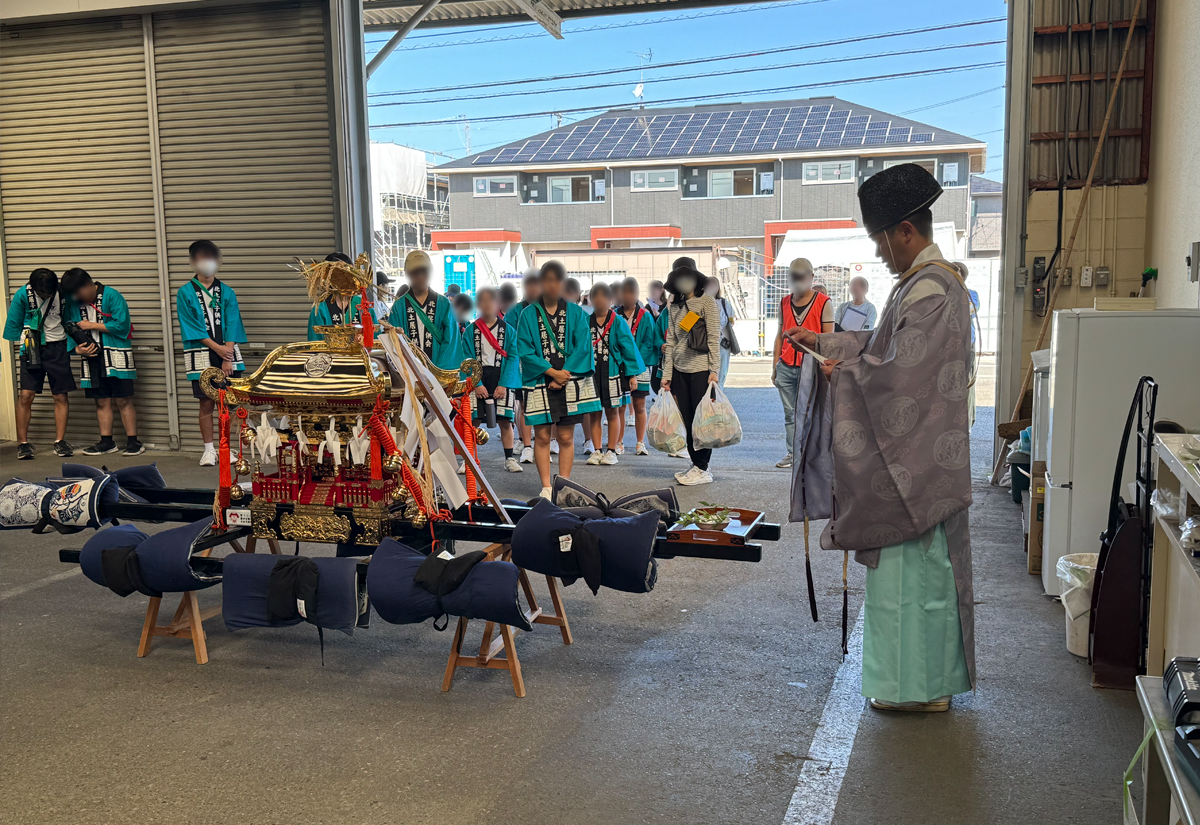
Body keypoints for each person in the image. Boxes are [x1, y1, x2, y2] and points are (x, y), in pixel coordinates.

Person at [786, 162, 976, 713]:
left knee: (915, 584)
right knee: (915, 584)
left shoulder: (930, 289)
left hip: (914, 472)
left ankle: (918, 691)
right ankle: (917, 687)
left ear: (905, 231)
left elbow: (899, 379)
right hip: (917, 462)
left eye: (880, 240)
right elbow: (882, 344)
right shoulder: (926, 284)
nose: (880, 252)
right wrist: (825, 343)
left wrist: (840, 376)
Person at [514, 261, 599, 499]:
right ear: (541, 282)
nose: (552, 285)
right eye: (547, 280)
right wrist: (552, 372)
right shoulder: (528, 314)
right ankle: (546, 486)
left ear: (563, 283)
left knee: (565, 437)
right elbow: (525, 350)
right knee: (542, 436)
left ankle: (563, 485)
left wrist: (563, 375)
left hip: (568, 380)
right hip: (540, 379)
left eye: (556, 280)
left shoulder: (576, 313)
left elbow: (583, 347)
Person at [177, 239, 247, 466]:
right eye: (201, 258)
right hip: (201, 352)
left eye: (210, 258)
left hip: (228, 351)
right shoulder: (185, 292)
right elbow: (190, 326)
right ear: (193, 262)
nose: (206, 263)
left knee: (229, 402)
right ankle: (209, 449)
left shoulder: (227, 292)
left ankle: (227, 447)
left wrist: (227, 354)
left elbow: (233, 322)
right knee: (206, 402)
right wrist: (218, 349)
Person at [61, 268, 142, 456]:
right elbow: (67, 328)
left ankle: (133, 441)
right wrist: (76, 349)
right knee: (101, 400)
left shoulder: (112, 295)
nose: (77, 297)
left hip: (116, 355)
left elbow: (123, 324)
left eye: (78, 293)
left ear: (88, 285)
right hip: (92, 357)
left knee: (123, 399)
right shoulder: (73, 303)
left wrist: (92, 325)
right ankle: (107, 442)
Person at [660, 257, 722, 486]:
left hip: (701, 370)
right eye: (679, 277)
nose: (684, 281)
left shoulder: (707, 303)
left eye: (688, 276)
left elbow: (714, 338)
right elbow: (671, 341)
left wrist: (714, 370)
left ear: (696, 279)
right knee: (687, 419)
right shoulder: (674, 307)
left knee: (701, 420)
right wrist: (667, 375)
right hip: (679, 370)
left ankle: (703, 467)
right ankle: (696, 464)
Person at [5, 268, 74, 459]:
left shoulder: (63, 293)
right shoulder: (23, 294)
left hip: (58, 345)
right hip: (32, 345)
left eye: (50, 293)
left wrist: (75, 345)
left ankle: (60, 441)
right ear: (33, 287)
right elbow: (14, 321)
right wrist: (20, 345)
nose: (47, 296)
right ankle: (23, 444)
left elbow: (70, 318)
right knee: (26, 395)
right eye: (43, 293)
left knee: (60, 395)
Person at [771, 258, 833, 469]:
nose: (797, 280)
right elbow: (779, 335)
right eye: (794, 276)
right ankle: (793, 453)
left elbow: (829, 340)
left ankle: (812, 454)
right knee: (790, 413)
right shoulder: (784, 302)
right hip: (786, 365)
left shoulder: (824, 303)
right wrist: (775, 366)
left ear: (811, 277)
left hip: (812, 367)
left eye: (801, 276)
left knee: (812, 412)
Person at [459, 286, 522, 473]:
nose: (487, 304)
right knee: (473, 421)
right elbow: (467, 358)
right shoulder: (470, 331)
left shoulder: (508, 330)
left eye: (491, 300)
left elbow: (513, 357)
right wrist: (476, 384)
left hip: (501, 378)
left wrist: (504, 384)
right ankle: (469, 459)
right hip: (477, 378)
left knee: (505, 421)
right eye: (483, 300)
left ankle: (509, 458)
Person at [585, 283, 644, 466]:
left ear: (610, 300)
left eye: (604, 296)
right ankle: (597, 450)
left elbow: (628, 348)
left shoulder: (617, 321)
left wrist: (632, 375)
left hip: (613, 374)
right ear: (590, 299)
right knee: (595, 413)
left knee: (613, 412)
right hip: (592, 375)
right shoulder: (586, 321)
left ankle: (611, 450)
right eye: (595, 296)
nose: (599, 300)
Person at [385, 250, 460, 371]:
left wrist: (439, 372)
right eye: (415, 272)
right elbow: (394, 343)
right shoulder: (399, 306)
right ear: (407, 274)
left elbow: (451, 342)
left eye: (424, 271)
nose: (420, 276)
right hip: (410, 373)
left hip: (439, 372)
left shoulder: (444, 304)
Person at [618, 277, 661, 455]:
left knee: (640, 406)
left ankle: (640, 442)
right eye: (625, 292)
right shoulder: (614, 315)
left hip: (640, 367)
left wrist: (634, 363)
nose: (628, 296)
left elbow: (648, 343)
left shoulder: (646, 316)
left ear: (637, 294)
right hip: (619, 367)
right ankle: (618, 442)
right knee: (620, 407)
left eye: (632, 292)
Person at [507, 270, 541, 464]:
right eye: (528, 285)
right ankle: (526, 444)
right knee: (523, 404)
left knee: (544, 405)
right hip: (522, 365)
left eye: (536, 284)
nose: (532, 289)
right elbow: (509, 340)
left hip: (545, 365)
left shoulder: (548, 308)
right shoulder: (515, 311)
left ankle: (546, 442)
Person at [307, 253, 362, 340]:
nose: (344, 280)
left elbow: (374, 338)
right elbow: (314, 343)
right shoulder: (320, 310)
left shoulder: (362, 305)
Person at [704, 278, 738, 386]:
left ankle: (718, 393)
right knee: (706, 374)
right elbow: (686, 326)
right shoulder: (699, 303)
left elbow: (732, 320)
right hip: (705, 344)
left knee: (721, 373)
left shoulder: (724, 303)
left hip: (723, 343)